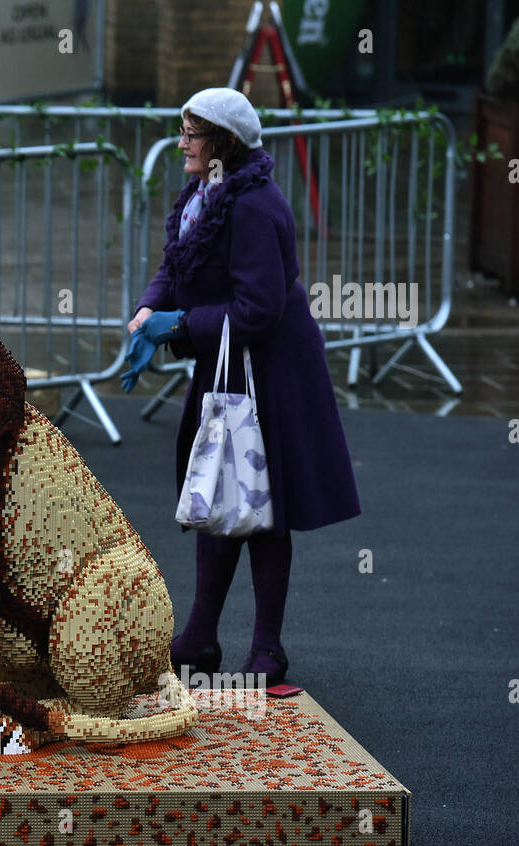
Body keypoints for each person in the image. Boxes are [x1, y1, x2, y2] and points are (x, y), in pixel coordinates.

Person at [128, 87, 359, 683]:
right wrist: (148, 311)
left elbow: (259, 309)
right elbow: (175, 263)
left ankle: (268, 650)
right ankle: (202, 637)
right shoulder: (208, 189)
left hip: (275, 371)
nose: (182, 143)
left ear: (223, 143)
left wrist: (176, 324)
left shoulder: (255, 206)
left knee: (265, 508)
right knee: (221, 495)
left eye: (192, 133)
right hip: (231, 365)